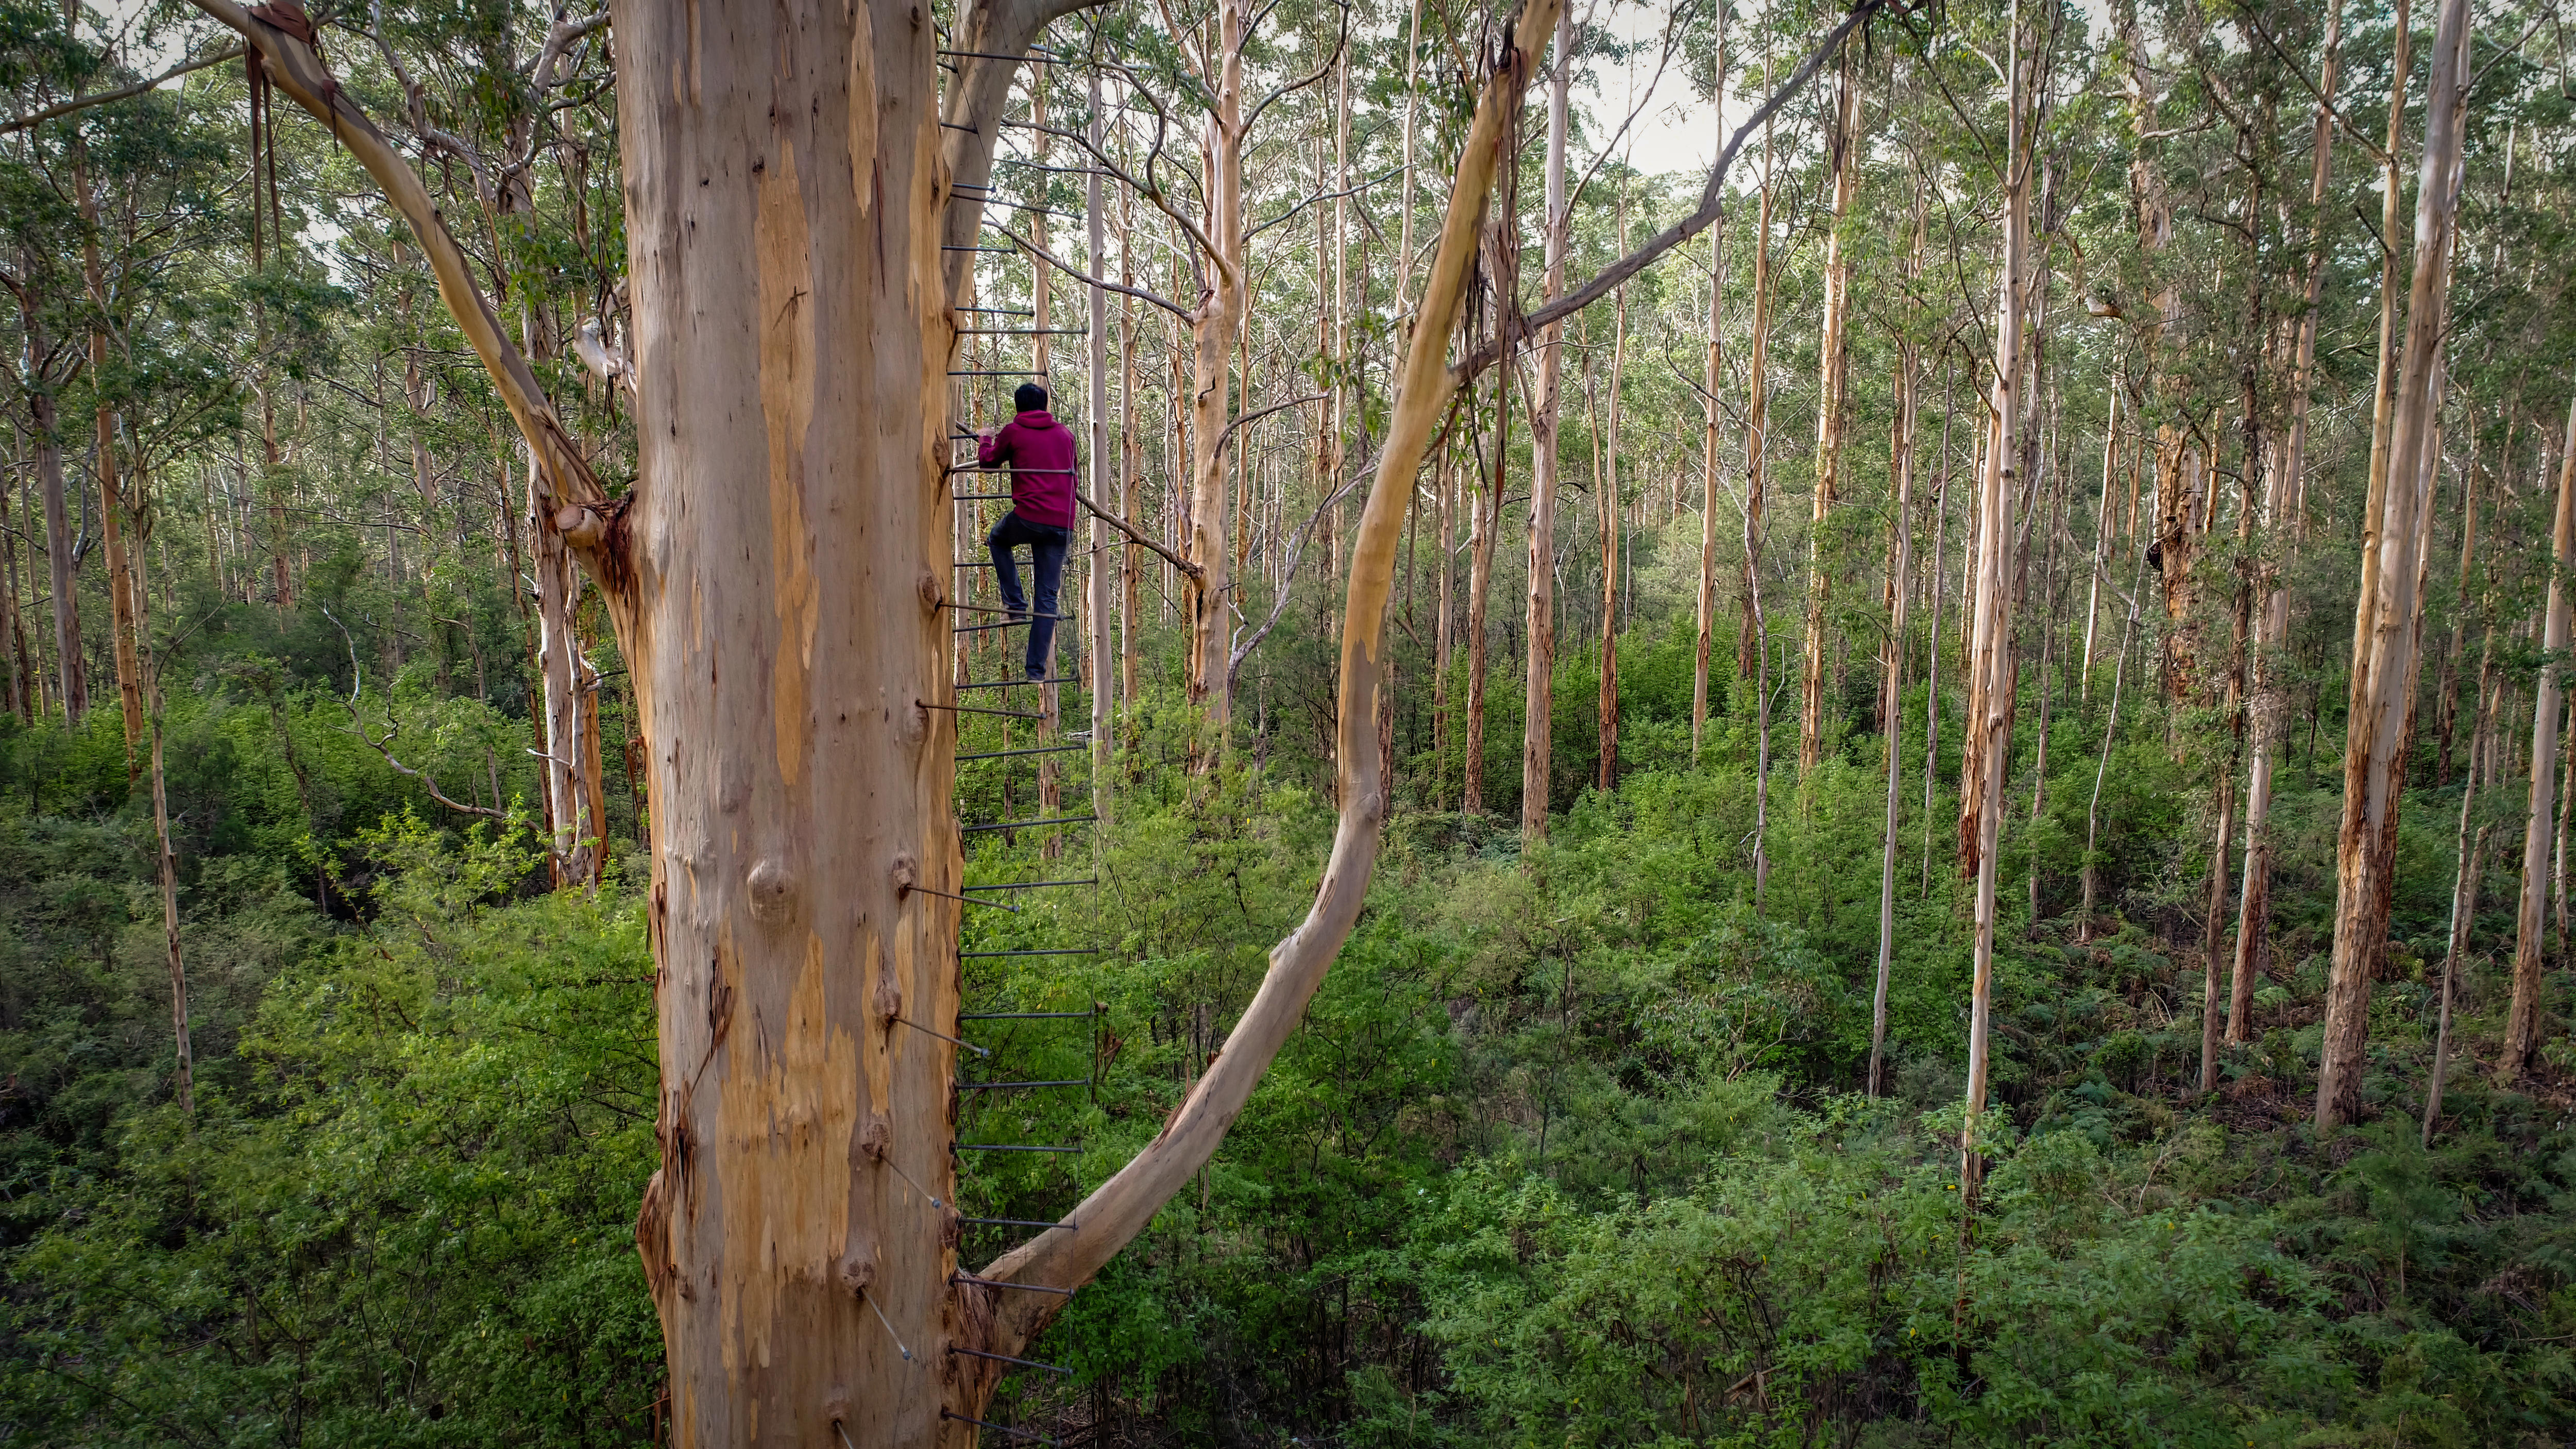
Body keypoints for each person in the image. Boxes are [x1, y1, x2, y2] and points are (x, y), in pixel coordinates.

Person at [976, 382, 1079, 682]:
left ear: (1018, 408)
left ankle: (1016, 605)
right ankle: (1036, 672)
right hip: (1061, 524)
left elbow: (988, 462)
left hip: (1030, 517)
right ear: (1045, 406)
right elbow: (1072, 477)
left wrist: (984, 439)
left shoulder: (1014, 431)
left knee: (997, 539)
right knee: (1047, 601)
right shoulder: (1066, 435)